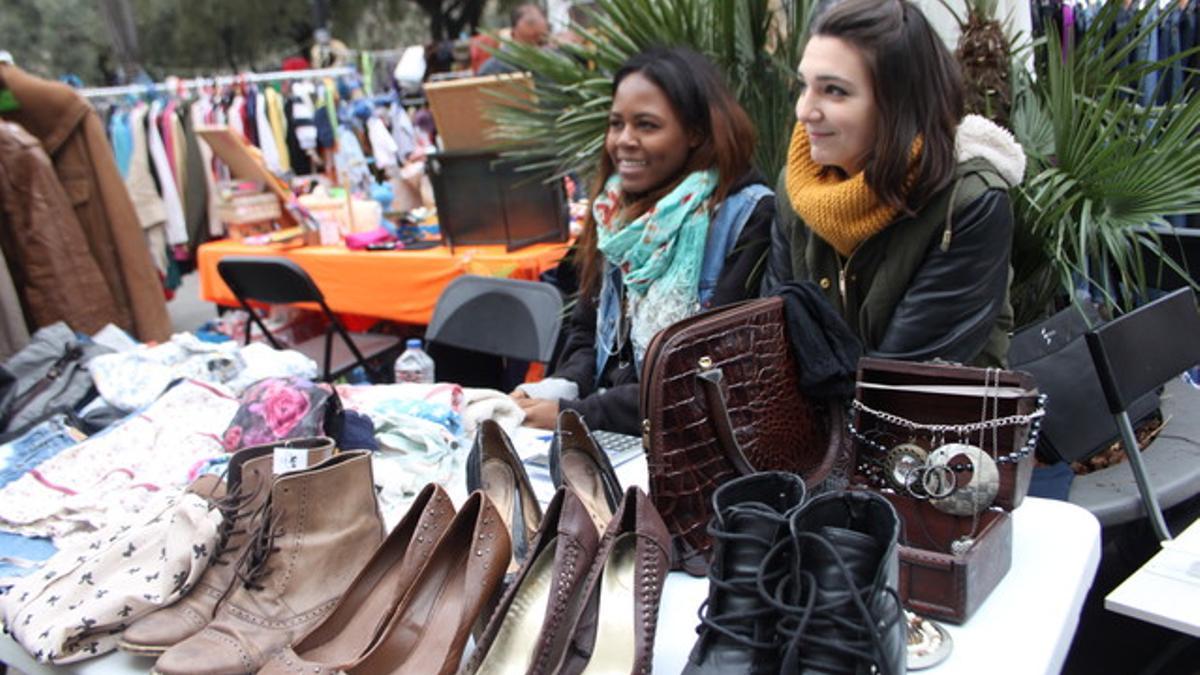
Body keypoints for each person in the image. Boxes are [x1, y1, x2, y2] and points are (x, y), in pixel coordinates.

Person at [513, 46, 775, 434]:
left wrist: (578, 414)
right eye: (616, 123)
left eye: (647, 125)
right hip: (611, 434)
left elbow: (708, 375)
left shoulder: (747, 217)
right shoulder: (614, 216)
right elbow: (587, 333)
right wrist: (557, 389)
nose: (624, 141)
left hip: (692, 449)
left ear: (695, 133)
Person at [763, 0, 1026, 367]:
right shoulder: (797, 187)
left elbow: (903, 380)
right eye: (805, 86)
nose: (805, 110)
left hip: (930, 419)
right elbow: (771, 342)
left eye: (834, 90)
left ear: (899, 102)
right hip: (815, 420)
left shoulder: (968, 203)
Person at [478, 4, 550, 75]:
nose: (537, 24)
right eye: (530, 22)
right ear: (514, 29)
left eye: (540, 19)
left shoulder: (552, 61)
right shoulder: (495, 66)